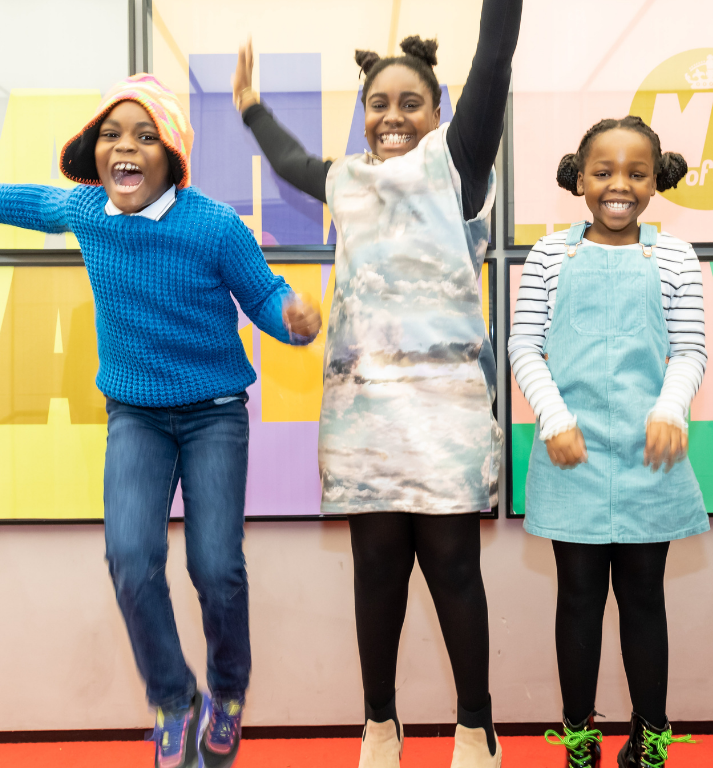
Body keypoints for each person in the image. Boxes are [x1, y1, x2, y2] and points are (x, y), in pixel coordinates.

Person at [0, 73, 322, 768]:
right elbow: (26, 202)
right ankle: (173, 700)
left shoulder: (213, 225)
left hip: (214, 412)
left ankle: (228, 691)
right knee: (131, 561)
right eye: (110, 135)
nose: (125, 147)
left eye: (144, 135)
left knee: (215, 567)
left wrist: (295, 322)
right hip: (136, 416)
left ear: (172, 158)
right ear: (94, 154)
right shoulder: (90, 211)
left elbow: (268, 295)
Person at [231, 3, 520, 767]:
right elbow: (294, 164)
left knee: (454, 567)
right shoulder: (348, 181)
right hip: (363, 414)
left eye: (410, 103)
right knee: (377, 572)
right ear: (364, 116)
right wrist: (252, 110)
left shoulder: (456, 165)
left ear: (440, 112)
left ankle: (474, 729)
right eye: (378, 104)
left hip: (446, 412)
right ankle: (380, 728)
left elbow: (492, 63)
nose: (392, 117)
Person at [510, 116, 707, 768]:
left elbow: (689, 350)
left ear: (656, 180)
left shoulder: (673, 255)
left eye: (635, 172)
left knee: (645, 598)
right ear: (579, 178)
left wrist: (670, 408)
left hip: (651, 455)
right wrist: (555, 419)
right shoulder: (548, 254)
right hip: (573, 452)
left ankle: (650, 741)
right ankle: (579, 740)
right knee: (578, 597)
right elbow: (524, 345)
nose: (618, 186)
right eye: (603, 172)